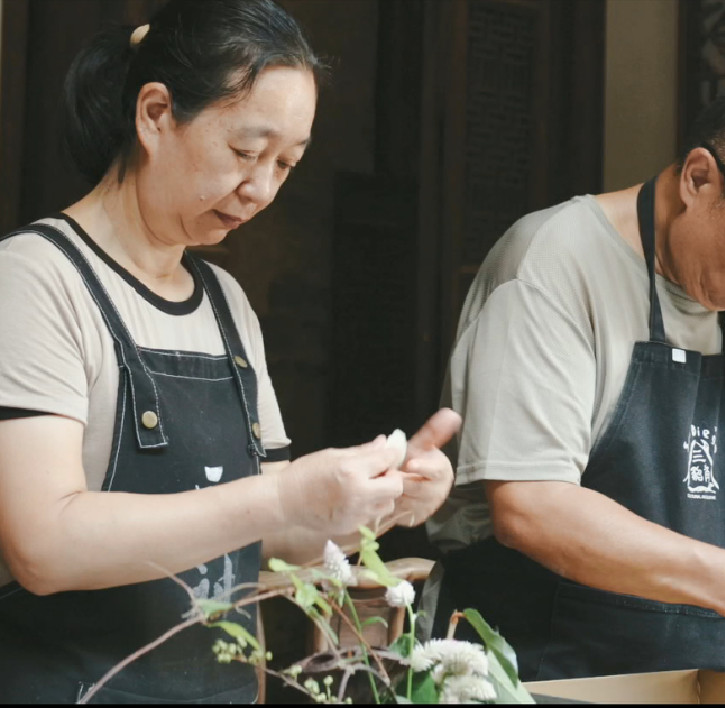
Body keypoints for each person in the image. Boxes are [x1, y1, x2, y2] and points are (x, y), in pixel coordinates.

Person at [0, 1, 458, 702]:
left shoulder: (225, 303)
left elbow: (270, 537)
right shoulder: (36, 278)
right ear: (156, 114)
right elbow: (44, 545)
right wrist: (281, 493)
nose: (262, 188)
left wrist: (381, 500)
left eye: (286, 163)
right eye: (246, 152)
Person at [419, 76, 725, 681]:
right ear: (699, 179)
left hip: (709, 683)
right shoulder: (555, 262)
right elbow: (530, 505)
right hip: (547, 676)